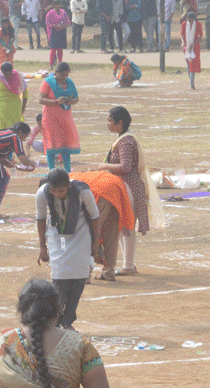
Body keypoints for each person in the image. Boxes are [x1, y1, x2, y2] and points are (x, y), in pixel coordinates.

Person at [92, 105, 153, 275]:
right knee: (121, 225)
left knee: (126, 225)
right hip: (126, 186)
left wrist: (104, 166)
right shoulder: (125, 139)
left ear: (119, 123)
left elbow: (126, 167)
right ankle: (128, 264)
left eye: (110, 121)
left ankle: (128, 265)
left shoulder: (125, 141)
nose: (108, 124)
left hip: (128, 187)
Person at [36, 169, 100, 329]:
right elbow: (41, 218)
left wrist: (95, 244)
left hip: (81, 233)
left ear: (68, 186)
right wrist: (42, 247)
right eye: (54, 191)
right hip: (56, 234)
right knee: (59, 278)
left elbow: (94, 216)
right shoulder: (42, 193)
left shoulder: (82, 191)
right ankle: (55, 321)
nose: (57, 194)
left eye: (62, 190)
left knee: (79, 279)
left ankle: (68, 320)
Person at [70, 170, 132, 282]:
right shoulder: (74, 177)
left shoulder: (68, 185)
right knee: (111, 233)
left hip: (101, 190)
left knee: (86, 233)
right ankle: (109, 272)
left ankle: (85, 274)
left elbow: (90, 226)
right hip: (116, 188)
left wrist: (96, 248)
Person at [38, 62, 79, 171]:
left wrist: (71, 101)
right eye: (62, 75)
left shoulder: (69, 83)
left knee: (65, 143)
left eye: (66, 75)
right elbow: (41, 99)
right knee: (51, 144)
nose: (64, 78)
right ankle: (51, 170)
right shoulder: (48, 82)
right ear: (56, 73)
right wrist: (56, 101)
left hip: (65, 117)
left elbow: (76, 98)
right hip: (50, 118)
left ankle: (68, 170)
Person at [0, 61, 27, 131]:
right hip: (1, 107)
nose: (8, 76)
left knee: (16, 129)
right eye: (6, 74)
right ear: (2, 72)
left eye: (10, 73)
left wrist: (23, 107)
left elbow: (25, 92)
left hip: (15, 107)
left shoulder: (18, 76)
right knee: (2, 129)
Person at [44, 0, 69, 67]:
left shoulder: (63, 12)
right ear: (55, 5)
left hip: (62, 31)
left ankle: (60, 64)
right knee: (53, 49)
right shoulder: (50, 13)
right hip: (54, 32)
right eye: (58, 4)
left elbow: (67, 21)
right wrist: (55, 25)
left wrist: (64, 25)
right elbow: (48, 23)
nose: (59, 6)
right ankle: (51, 64)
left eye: (60, 4)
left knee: (60, 49)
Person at [182, 11, 203, 89]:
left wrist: (193, 44)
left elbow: (200, 37)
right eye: (189, 20)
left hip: (195, 47)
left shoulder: (198, 24)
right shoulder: (184, 24)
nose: (190, 22)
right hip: (186, 47)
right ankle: (191, 82)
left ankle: (192, 85)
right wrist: (183, 42)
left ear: (194, 19)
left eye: (192, 20)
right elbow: (182, 35)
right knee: (188, 65)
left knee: (192, 65)